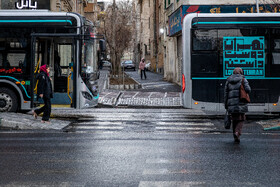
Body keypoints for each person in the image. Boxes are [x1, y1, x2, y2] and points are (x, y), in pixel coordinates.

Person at [224, 67, 251, 143]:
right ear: (241, 72)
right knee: (241, 119)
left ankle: (235, 137)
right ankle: (237, 133)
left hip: (231, 104)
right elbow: (248, 90)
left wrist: (226, 104)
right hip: (241, 103)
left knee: (234, 120)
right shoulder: (243, 80)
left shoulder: (228, 81)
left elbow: (225, 94)